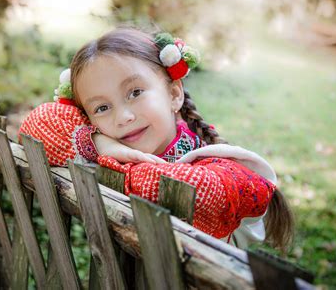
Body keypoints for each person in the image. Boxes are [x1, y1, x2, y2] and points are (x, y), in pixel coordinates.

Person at [19, 27, 294, 250]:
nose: (123, 117)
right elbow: (37, 123)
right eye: (102, 108)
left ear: (174, 94)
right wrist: (101, 144)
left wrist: (120, 168)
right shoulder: (102, 146)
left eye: (135, 92)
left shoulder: (219, 164)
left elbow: (203, 192)